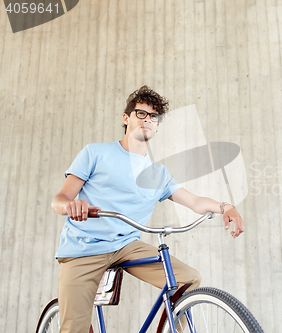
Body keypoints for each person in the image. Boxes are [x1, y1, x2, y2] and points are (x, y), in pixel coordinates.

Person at [51, 85, 244, 333]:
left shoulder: (158, 174)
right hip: (84, 247)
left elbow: (194, 201)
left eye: (154, 117)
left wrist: (225, 206)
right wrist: (71, 205)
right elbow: (60, 199)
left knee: (188, 279)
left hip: (127, 246)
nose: (148, 120)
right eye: (141, 113)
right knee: (73, 329)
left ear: (158, 125)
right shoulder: (95, 153)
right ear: (126, 118)